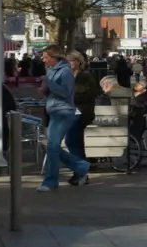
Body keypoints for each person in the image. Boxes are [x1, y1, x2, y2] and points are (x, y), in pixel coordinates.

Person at [38, 45, 91, 191]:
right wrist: (43, 88)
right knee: (51, 147)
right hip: (53, 111)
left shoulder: (66, 71)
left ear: (54, 57)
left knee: (53, 146)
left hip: (64, 112)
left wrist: (49, 83)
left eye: (46, 57)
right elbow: (52, 91)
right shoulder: (50, 70)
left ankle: (50, 181)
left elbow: (65, 92)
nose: (43, 59)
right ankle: (81, 166)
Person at [68, 51, 100, 169]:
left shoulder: (85, 76)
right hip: (69, 113)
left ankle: (80, 168)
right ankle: (81, 169)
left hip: (81, 112)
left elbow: (92, 93)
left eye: (71, 60)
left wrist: (71, 97)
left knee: (71, 141)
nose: (69, 63)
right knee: (76, 141)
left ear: (78, 62)